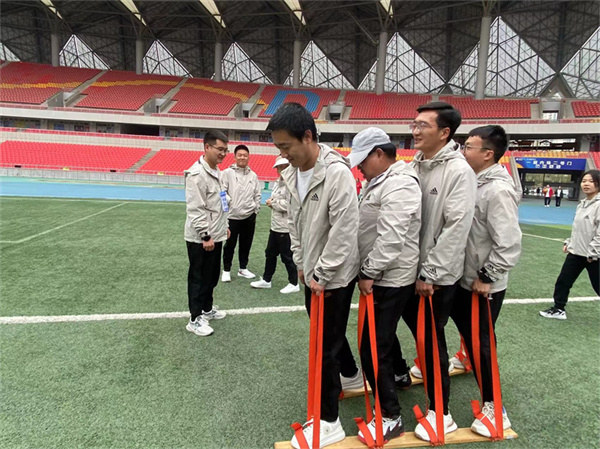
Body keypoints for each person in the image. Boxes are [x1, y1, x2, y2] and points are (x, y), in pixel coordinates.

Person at [267, 103, 361, 449]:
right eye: (278, 147)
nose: (283, 154)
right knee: (327, 336)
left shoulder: (336, 173)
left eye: (286, 146)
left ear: (307, 136)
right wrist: (301, 262)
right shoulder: (292, 174)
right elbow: (294, 224)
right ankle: (351, 376)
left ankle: (329, 422)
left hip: (333, 276)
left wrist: (322, 271)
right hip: (312, 272)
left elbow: (344, 229)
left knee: (325, 346)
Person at [403, 101, 477, 441]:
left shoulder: (458, 171)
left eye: (423, 125)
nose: (415, 130)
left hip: (434, 277)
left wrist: (430, 274)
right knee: (421, 337)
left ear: (445, 132)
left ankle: (441, 413)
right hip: (412, 270)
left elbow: (456, 228)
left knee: (432, 342)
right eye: (414, 124)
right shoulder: (416, 164)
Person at [349, 127, 421, 443]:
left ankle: (390, 417)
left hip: (389, 277)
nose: (359, 168)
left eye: (362, 161)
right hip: (388, 275)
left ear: (379, 154)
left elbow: (392, 237)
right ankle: (400, 373)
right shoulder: (381, 180)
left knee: (372, 347)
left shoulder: (399, 183)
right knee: (384, 337)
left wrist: (369, 271)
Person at [449, 125, 521, 437]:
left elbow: (508, 242)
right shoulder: (473, 181)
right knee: (470, 335)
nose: (463, 151)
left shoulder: (498, 190)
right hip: (463, 277)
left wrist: (487, 276)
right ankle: (464, 360)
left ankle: (495, 407)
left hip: (482, 284)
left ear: (488, 154)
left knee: (482, 343)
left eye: (469, 147)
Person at [183, 130, 230, 337]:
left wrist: (224, 225)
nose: (223, 154)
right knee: (198, 277)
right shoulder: (196, 174)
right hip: (201, 238)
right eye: (220, 149)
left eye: (225, 150)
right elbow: (196, 208)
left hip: (216, 234)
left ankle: (207, 308)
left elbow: (221, 202)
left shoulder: (217, 172)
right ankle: (194, 319)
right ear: (207, 147)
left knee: (211, 276)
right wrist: (205, 235)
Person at [540, 170, 600, 320]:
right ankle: (559, 309)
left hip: (593, 256)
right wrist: (570, 242)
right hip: (576, 252)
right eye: (584, 181)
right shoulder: (582, 204)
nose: (586, 184)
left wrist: (593, 252)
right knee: (563, 281)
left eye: (590, 181)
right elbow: (578, 229)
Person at [250, 156, 300, 294]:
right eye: (279, 167)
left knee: (287, 256)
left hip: (286, 227)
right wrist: (273, 202)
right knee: (270, 253)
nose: (282, 170)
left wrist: (273, 203)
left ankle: (294, 282)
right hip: (276, 226)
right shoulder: (278, 183)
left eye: (284, 167)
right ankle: (267, 280)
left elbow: (292, 205)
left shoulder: (293, 184)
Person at [221, 144, 261, 282]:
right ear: (235, 157)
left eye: (245, 155)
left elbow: (257, 194)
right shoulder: (227, 173)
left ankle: (243, 268)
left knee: (246, 244)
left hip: (249, 216)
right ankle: (226, 270)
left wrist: (255, 209)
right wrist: (226, 209)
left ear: (248, 157)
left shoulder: (253, 175)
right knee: (229, 245)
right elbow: (222, 193)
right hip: (232, 216)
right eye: (240, 155)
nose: (242, 157)